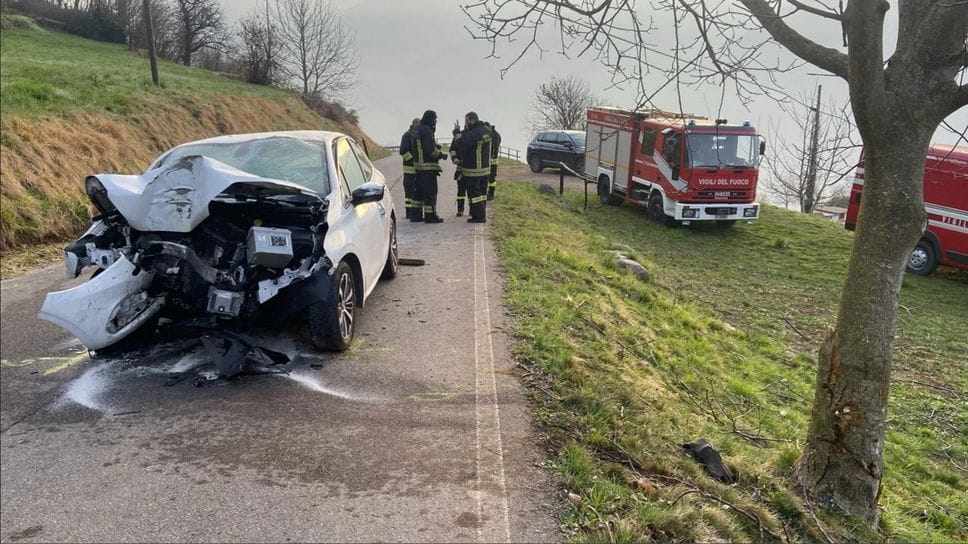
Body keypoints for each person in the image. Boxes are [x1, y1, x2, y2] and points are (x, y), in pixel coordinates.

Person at [451, 111, 492, 223]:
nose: (466, 123)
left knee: (475, 196)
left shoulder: (474, 133)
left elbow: (461, 144)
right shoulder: (487, 131)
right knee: (482, 195)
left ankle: (479, 217)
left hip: (474, 170)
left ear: (472, 120)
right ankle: (480, 213)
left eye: (466, 121)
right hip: (485, 170)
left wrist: (456, 132)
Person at [413, 110, 447, 223]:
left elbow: (421, 147)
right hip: (428, 168)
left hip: (418, 168)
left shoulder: (416, 130)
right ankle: (430, 216)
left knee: (418, 194)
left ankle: (416, 215)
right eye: (435, 119)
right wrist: (442, 155)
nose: (435, 122)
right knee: (430, 193)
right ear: (431, 119)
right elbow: (430, 151)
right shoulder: (427, 131)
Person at [399, 118, 422, 221]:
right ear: (413, 124)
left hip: (418, 170)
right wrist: (413, 161)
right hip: (409, 170)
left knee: (417, 192)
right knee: (409, 193)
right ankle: (409, 212)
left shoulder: (419, 135)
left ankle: (416, 212)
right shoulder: (407, 136)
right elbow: (403, 151)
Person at [451, 121, 466, 216]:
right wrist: (454, 158)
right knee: (461, 190)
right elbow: (452, 149)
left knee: (473, 191)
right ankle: (460, 209)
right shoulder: (459, 136)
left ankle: (473, 210)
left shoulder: (474, 135)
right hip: (460, 168)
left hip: (472, 168)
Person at [484, 122, 501, 200]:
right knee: (491, 178)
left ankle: (491, 194)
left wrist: (491, 156)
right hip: (492, 159)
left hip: (492, 160)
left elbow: (494, 147)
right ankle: (490, 193)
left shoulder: (493, 135)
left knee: (491, 178)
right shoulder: (496, 134)